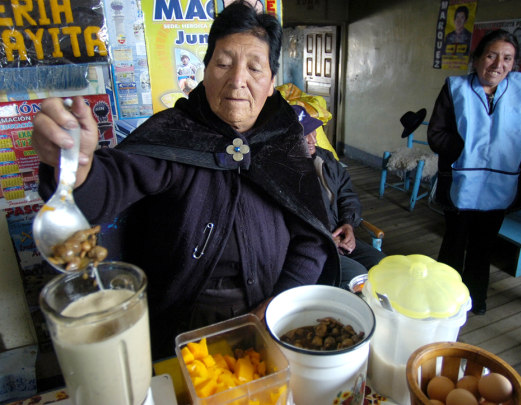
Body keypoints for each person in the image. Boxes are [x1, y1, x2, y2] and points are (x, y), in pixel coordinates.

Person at [32, 1, 339, 360]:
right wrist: (76, 165)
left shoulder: (284, 141)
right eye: (223, 63)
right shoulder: (175, 133)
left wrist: (277, 308)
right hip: (182, 329)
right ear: (205, 71)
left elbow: (311, 239)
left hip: (272, 319)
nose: (237, 80)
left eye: (254, 68)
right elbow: (105, 188)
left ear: (272, 83)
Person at [428, 29, 521, 315]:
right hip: (461, 180)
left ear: (514, 63)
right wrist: (466, 150)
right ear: (477, 58)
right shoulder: (455, 88)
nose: (499, 65)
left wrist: (512, 150)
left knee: (483, 247)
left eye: (507, 58)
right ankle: (444, 301)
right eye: (491, 55)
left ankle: (476, 300)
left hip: (501, 183)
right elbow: (437, 134)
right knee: (454, 244)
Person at [291, 105, 385, 289]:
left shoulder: (326, 160)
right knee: (356, 277)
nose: (311, 140)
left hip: (338, 234)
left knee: (380, 264)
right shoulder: (282, 169)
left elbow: (347, 194)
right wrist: (326, 240)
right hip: (310, 245)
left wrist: (348, 225)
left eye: (313, 132)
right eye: (303, 134)